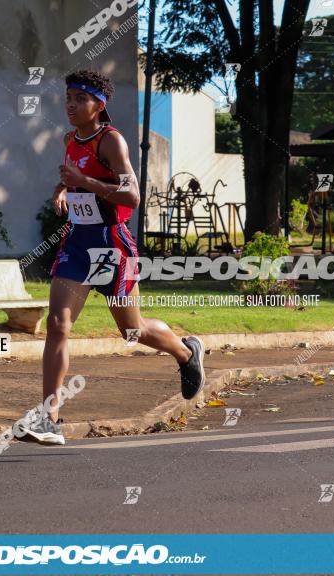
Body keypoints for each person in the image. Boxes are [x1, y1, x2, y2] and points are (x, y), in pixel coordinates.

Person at [20, 69, 205, 445]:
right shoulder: (71, 139)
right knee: (58, 324)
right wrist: (61, 189)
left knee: (131, 330)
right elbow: (73, 175)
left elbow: (132, 196)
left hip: (112, 246)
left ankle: (186, 353)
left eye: (79, 99)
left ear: (98, 105)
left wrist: (85, 183)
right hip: (77, 243)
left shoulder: (112, 141)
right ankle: (49, 417)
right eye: (68, 97)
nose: (70, 105)